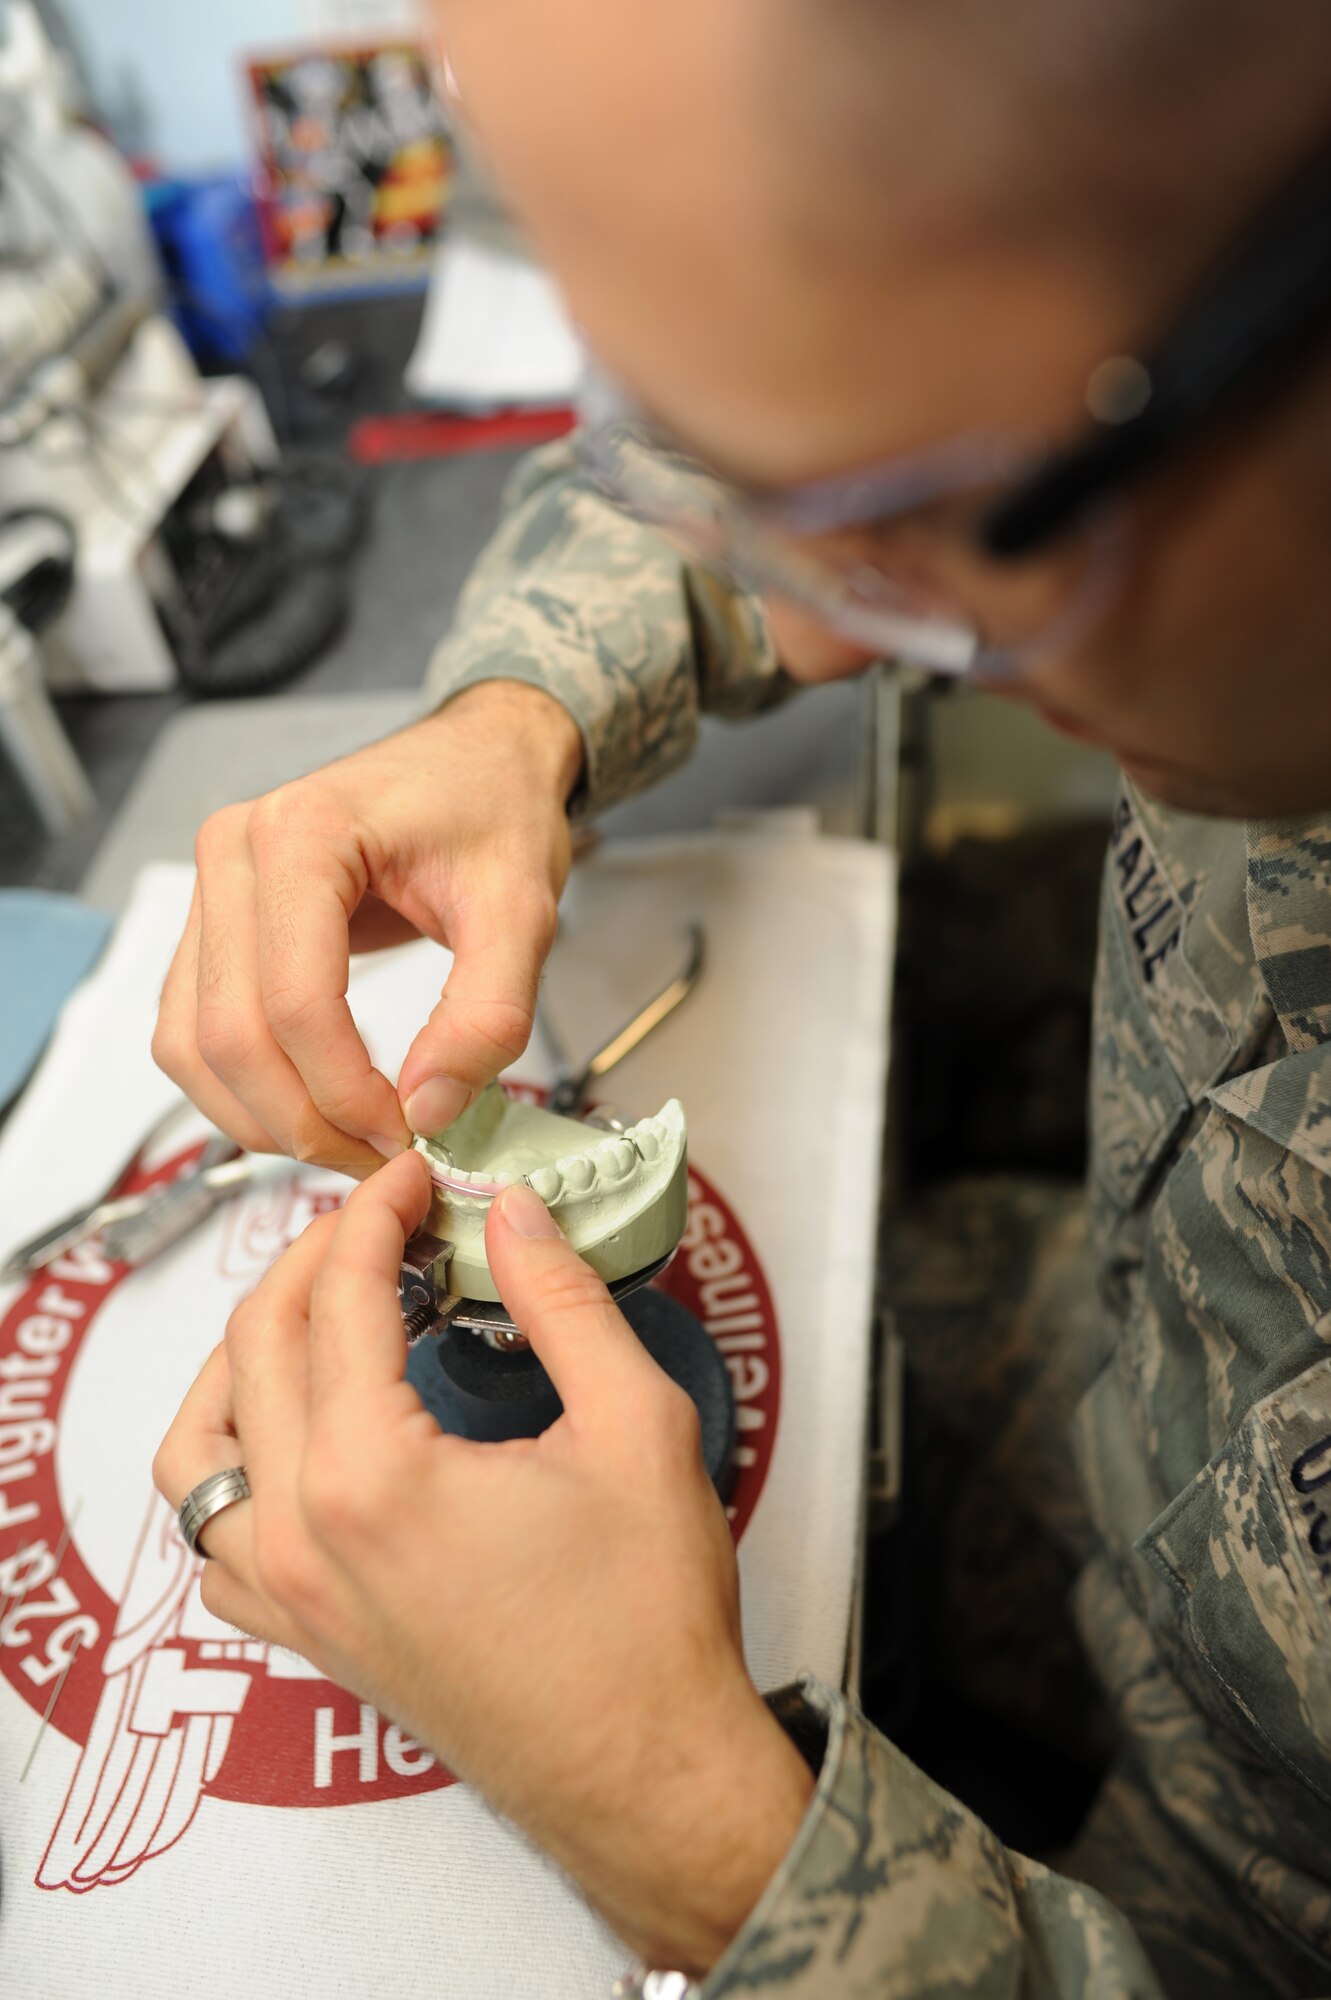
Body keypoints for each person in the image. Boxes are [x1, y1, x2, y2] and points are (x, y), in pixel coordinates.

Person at [150, 2, 1331, 1992]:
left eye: (890, 530)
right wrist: (523, 706)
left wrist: (689, 1829)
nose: (811, 602)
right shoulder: (1200, 496)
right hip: (1130, 1404)